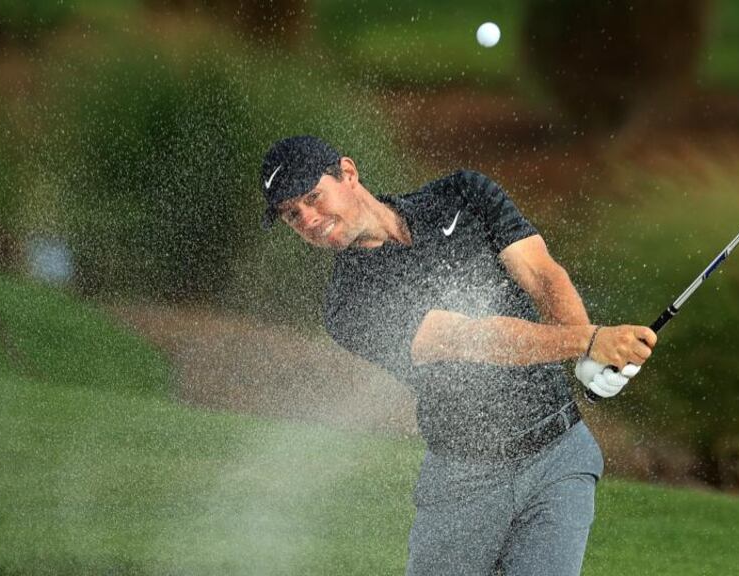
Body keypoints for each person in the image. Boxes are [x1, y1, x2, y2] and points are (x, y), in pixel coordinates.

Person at [259, 135, 657, 575]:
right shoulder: (348, 304)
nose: (308, 219)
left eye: (313, 197)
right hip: (463, 482)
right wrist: (586, 342)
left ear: (348, 174)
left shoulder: (464, 194)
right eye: (292, 215)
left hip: (558, 459)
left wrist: (589, 357)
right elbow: (469, 339)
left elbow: (542, 274)